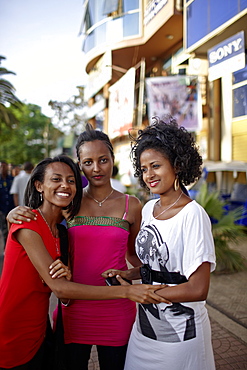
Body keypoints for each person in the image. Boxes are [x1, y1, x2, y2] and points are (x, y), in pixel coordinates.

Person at [6, 124, 153, 370]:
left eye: (103, 160)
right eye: (88, 162)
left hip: (116, 309)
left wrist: (137, 274)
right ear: (79, 164)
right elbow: (42, 225)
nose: (96, 168)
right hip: (73, 306)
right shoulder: (68, 201)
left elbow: (134, 257)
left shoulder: (132, 204)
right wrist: (14, 213)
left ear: (112, 160)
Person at [103, 116, 216, 370]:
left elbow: (198, 288)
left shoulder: (193, 215)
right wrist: (129, 274)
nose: (149, 175)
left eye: (156, 166)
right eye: (143, 169)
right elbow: (154, 266)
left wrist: (143, 294)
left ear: (177, 165)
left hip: (181, 334)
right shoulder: (149, 208)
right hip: (145, 329)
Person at [0, 160, 15, 245]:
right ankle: (6, 247)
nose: (2, 168)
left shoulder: (12, 179)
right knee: (4, 230)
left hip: (11, 208)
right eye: (1, 166)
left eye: (4, 166)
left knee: (12, 229)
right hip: (2, 209)